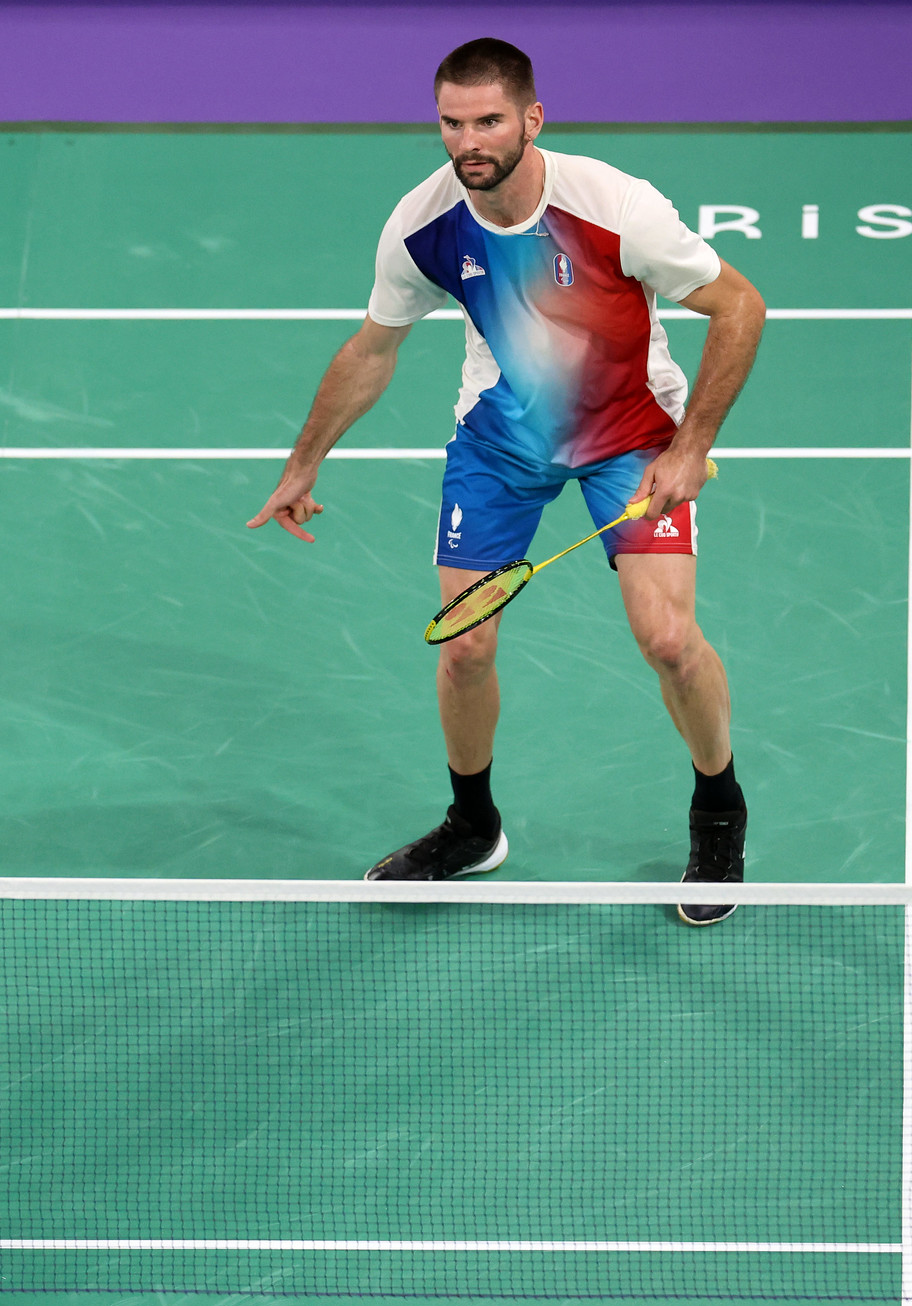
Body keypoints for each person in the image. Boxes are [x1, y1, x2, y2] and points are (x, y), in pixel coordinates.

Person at [246, 37, 765, 924]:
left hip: (629, 434)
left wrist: (690, 445)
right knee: (464, 648)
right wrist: (304, 461)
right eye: (451, 122)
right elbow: (374, 347)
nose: (467, 141)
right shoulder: (422, 223)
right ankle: (471, 823)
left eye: (486, 120)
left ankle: (718, 806)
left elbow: (739, 306)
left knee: (669, 641)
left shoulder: (613, 207)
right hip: (499, 441)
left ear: (531, 118)